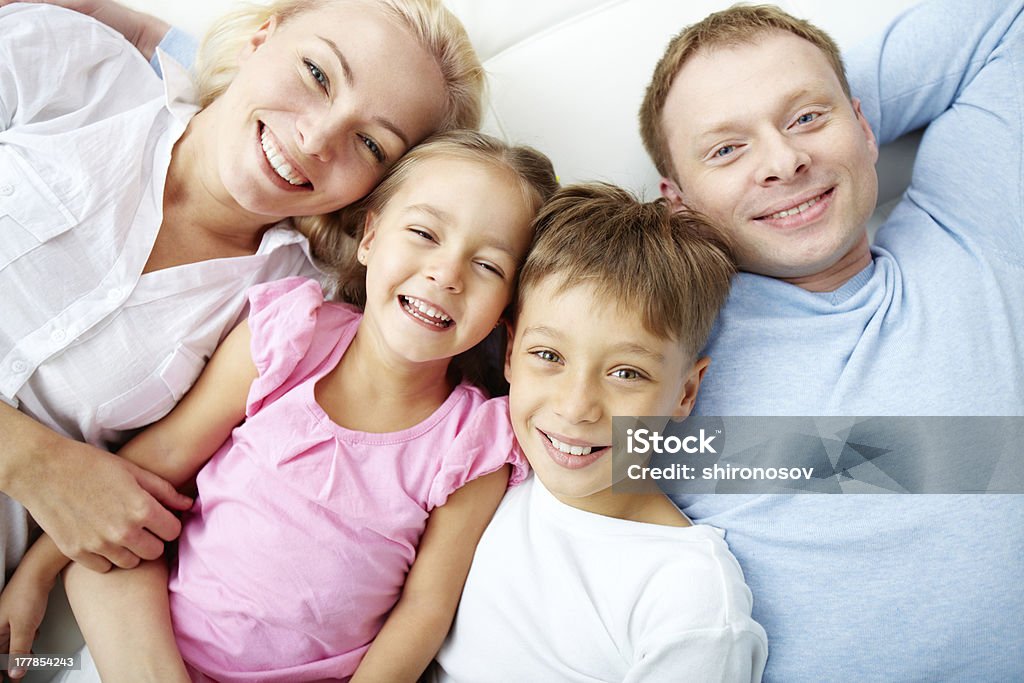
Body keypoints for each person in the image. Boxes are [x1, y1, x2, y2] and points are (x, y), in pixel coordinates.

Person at [1, 130, 559, 682]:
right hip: (149, 646)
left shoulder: (471, 445)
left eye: (488, 266)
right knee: (109, 570)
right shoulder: (290, 339)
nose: (446, 274)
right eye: (422, 233)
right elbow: (159, 459)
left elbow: (424, 610)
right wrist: (36, 573)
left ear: (508, 308)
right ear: (370, 238)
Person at [0, 0, 483, 584]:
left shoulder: (295, 314)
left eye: (371, 144)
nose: (316, 137)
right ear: (261, 38)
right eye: (318, 74)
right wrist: (29, 460)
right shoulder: (68, 67)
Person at [638, 1, 1024, 680]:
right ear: (678, 203)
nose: (784, 161)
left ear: (865, 126)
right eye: (727, 148)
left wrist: (830, 110)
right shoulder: (658, 353)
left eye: (805, 118)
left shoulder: (972, 232)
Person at [433, 183, 767, 682]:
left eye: (627, 373)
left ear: (685, 393)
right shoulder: (480, 465)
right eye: (548, 357)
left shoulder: (688, 597)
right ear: (508, 354)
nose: (576, 408)